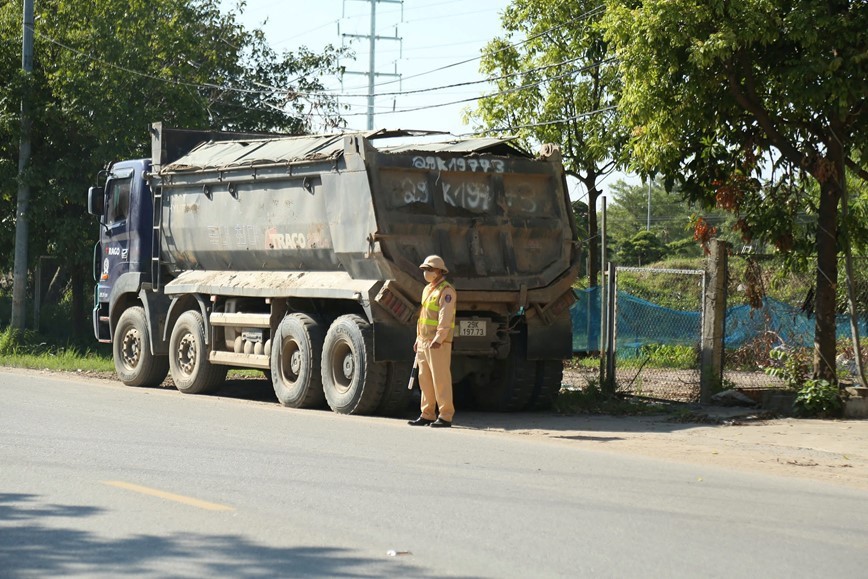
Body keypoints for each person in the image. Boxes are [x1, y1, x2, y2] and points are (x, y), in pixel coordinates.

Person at [408, 255, 457, 428]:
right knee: (425, 379)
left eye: (429, 269)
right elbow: (423, 317)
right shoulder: (428, 289)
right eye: (425, 270)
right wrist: (418, 338)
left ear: (439, 271)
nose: (426, 273)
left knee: (440, 379)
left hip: (438, 343)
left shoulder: (446, 291)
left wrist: (439, 338)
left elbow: (445, 317)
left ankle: (445, 415)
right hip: (424, 341)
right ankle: (427, 413)